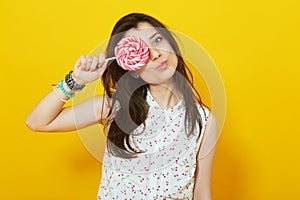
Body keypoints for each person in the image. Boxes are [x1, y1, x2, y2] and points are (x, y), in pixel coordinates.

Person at [26, 13, 217, 200]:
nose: (156, 54)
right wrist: (75, 80)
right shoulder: (113, 108)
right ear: (132, 69)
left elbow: (201, 193)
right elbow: (37, 122)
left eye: (157, 40)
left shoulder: (204, 121)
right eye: (141, 50)